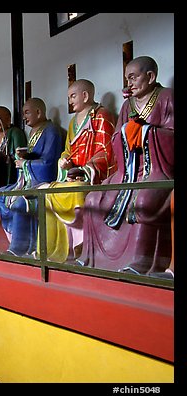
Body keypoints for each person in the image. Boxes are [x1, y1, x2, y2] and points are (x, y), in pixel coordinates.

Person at [77, 56, 174, 275]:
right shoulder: (127, 105)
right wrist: (127, 133)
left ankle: (141, 260)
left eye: (133, 77)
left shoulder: (167, 97)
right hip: (127, 170)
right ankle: (92, 256)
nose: (129, 83)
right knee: (93, 198)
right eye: (127, 78)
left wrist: (146, 132)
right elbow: (115, 140)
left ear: (150, 76)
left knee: (144, 199)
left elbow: (172, 136)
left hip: (157, 168)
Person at [40, 79, 117, 263]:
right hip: (73, 175)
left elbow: (107, 151)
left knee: (75, 190)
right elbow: (68, 151)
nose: (70, 101)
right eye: (68, 97)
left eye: (73, 96)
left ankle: (80, 244)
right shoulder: (74, 122)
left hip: (93, 177)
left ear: (86, 95)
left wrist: (86, 169)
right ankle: (55, 247)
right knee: (45, 190)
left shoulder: (102, 115)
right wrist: (65, 162)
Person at [0, 97, 63, 257]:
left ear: (39, 112)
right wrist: (25, 156)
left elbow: (49, 163)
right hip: (28, 178)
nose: (24, 117)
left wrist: (25, 163)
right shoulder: (33, 132)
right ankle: (15, 239)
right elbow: (37, 156)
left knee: (20, 201)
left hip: (43, 180)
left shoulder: (51, 131)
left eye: (27, 112)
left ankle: (19, 246)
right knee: (1, 192)